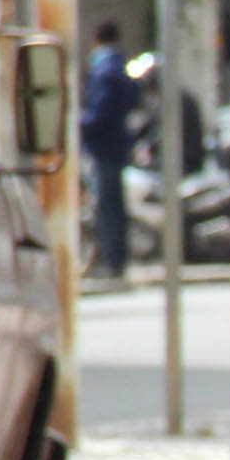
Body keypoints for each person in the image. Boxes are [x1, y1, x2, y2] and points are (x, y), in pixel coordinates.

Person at [81, 21, 138, 279]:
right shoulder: (122, 67)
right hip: (117, 145)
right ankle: (117, 257)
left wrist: (80, 125)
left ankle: (110, 258)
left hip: (103, 146)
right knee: (115, 204)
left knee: (106, 205)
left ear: (96, 39)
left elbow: (99, 113)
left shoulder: (103, 71)